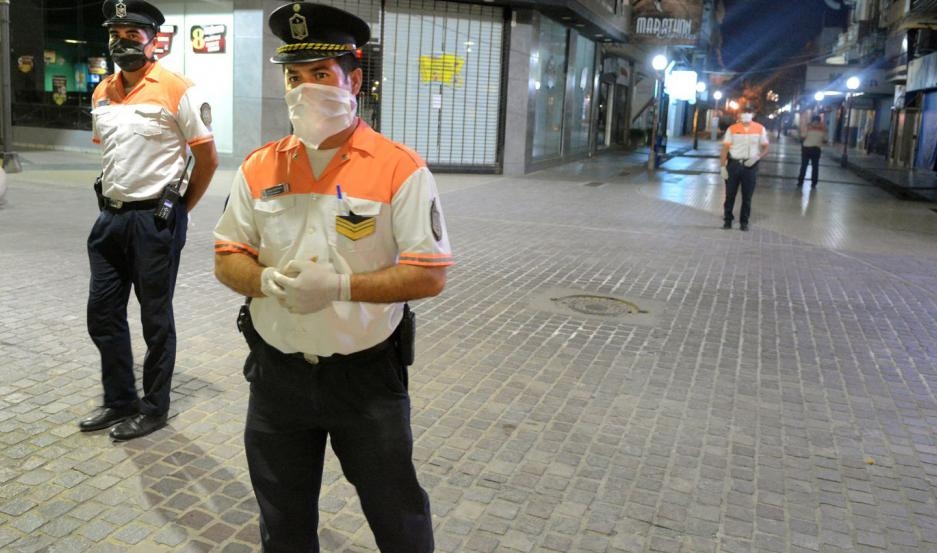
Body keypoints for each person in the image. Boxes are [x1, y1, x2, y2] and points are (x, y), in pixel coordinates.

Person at [212, 3, 452, 551]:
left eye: (320, 74)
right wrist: (266, 281)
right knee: (283, 521)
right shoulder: (259, 166)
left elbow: (430, 274)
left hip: (365, 380)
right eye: (294, 77)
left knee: (397, 514)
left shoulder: (399, 168)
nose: (305, 90)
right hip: (277, 377)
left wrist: (341, 288)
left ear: (354, 82)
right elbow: (227, 256)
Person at [79, 0, 218, 441]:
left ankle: (154, 407)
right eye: (115, 35)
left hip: (154, 222)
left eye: (132, 35)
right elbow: (111, 152)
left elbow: (207, 159)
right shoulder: (102, 92)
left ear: (153, 40)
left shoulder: (178, 89)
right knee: (103, 314)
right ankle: (119, 400)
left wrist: (178, 212)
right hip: (110, 219)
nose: (122, 42)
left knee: (155, 319)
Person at [720, 105, 769, 231]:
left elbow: (766, 147)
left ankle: (744, 222)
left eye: (748, 113)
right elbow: (725, 149)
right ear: (739, 115)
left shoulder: (760, 128)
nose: (746, 115)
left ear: (753, 115)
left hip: (750, 166)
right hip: (733, 165)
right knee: (729, 195)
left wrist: (757, 157)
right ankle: (727, 220)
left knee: (747, 197)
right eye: (743, 113)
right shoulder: (732, 129)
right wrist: (722, 167)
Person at [797, 115, 826, 188]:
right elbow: (825, 139)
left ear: (812, 120)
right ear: (819, 120)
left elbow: (803, 136)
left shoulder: (808, 126)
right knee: (815, 167)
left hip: (806, 148)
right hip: (816, 149)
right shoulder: (823, 128)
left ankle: (800, 182)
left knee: (804, 166)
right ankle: (814, 183)